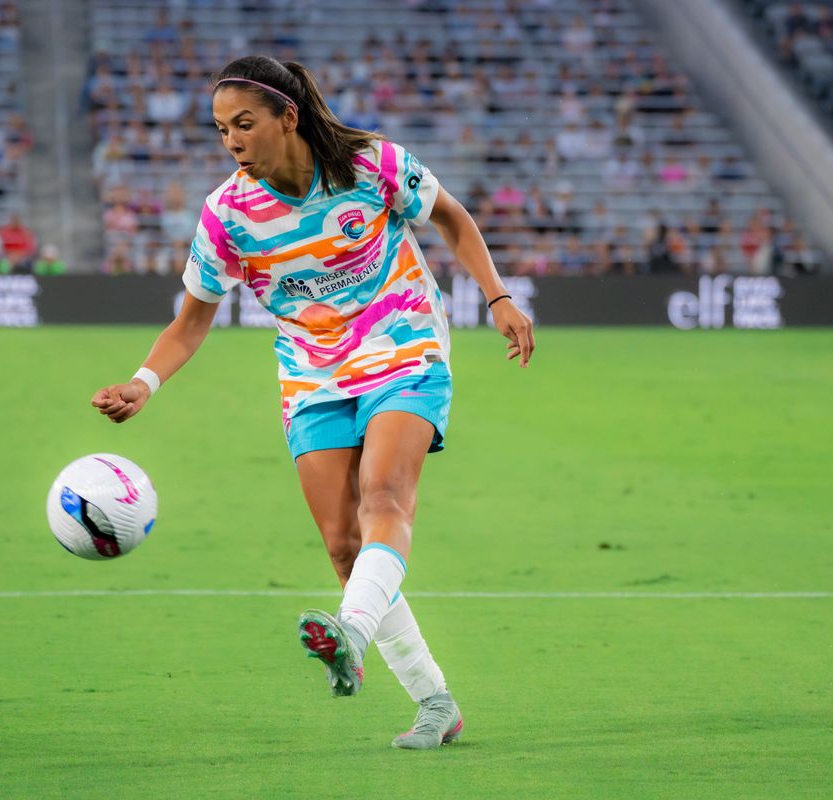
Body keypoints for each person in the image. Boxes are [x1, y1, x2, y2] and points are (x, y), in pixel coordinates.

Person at [90, 56, 534, 750]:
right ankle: (435, 703)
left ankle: (350, 634)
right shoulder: (227, 215)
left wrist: (499, 296)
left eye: (244, 124)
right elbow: (192, 321)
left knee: (384, 495)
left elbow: (451, 218)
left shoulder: (371, 164)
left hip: (403, 343)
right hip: (311, 374)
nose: (232, 141)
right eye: (221, 130)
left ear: (287, 117)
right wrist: (141, 384)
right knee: (342, 545)